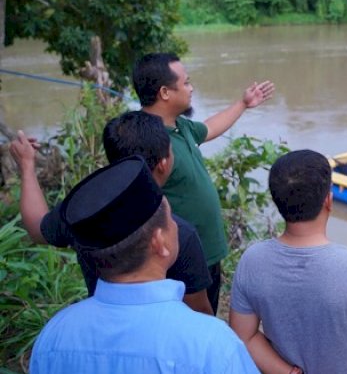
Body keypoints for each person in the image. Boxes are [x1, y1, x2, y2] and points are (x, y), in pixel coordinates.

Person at [29, 156, 258, 374]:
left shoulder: (55, 336)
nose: (178, 227)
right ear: (159, 243)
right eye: (170, 219)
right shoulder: (212, 344)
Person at [9, 111, 213, 314]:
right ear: (164, 163)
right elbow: (200, 312)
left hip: (102, 323)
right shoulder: (177, 232)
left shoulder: (85, 211)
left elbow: (37, 229)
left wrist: (27, 166)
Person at [230, 150, 347, 374]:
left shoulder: (253, 260)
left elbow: (243, 335)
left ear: (276, 200)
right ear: (328, 200)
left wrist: (287, 372)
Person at [132, 52, 274, 314]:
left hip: (205, 254)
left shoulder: (180, 127)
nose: (191, 88)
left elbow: (208, 128)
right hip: (179, 259)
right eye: (186, 83)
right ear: (165, 92)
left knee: (207, 310)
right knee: (191, 321)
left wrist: (243, 104)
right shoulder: (148, 142)